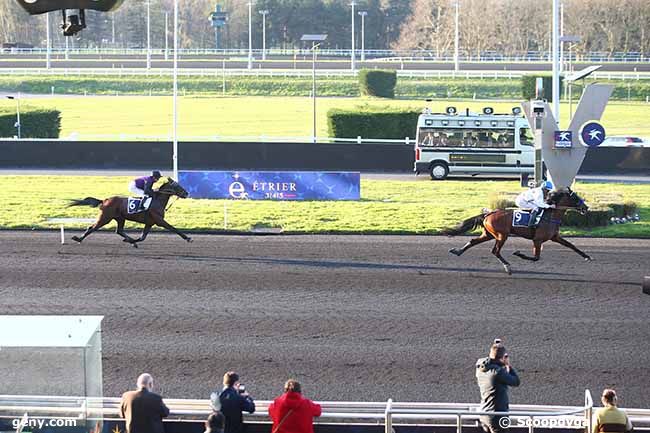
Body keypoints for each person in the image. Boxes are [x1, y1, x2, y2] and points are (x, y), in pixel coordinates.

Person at [476, 341, 520, 433]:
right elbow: (516, 381)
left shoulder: (480, 368)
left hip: (484, 413)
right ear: (502, 358)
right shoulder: (498, 372)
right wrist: (508, 365)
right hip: (498, 416)